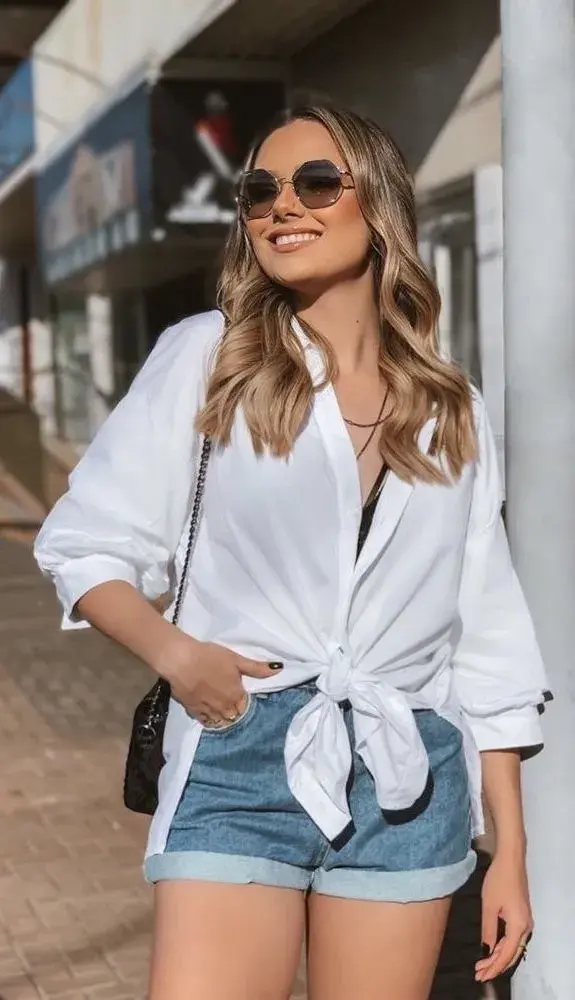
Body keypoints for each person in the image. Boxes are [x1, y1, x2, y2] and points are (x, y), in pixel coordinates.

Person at [34, 104, 549, 1000]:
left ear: (376, 205)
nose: (282, 207)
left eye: (315, 183)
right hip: (243, 746)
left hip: (407, 775)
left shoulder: (450, 406)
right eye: (259, 190)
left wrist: (508, 850)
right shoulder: (210, 360)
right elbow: (83, 544)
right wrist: (178, 657)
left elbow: (487, 635)